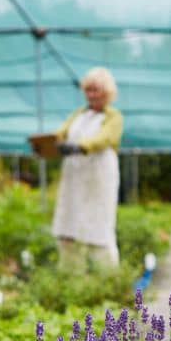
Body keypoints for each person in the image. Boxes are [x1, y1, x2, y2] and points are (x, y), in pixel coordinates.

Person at [51, 66, 124, 271]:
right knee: (69, 224)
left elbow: (105, 138)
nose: (91, 95)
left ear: (107, 93)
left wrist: (81, 146)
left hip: (98, 175)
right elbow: (60, 134)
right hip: (74, 175)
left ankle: (109, 279)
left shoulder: (113, 116)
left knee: (98, 226)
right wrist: (51, 144)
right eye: (88, 90)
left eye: (95, 90)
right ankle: (71, 275)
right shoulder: (79, 115)